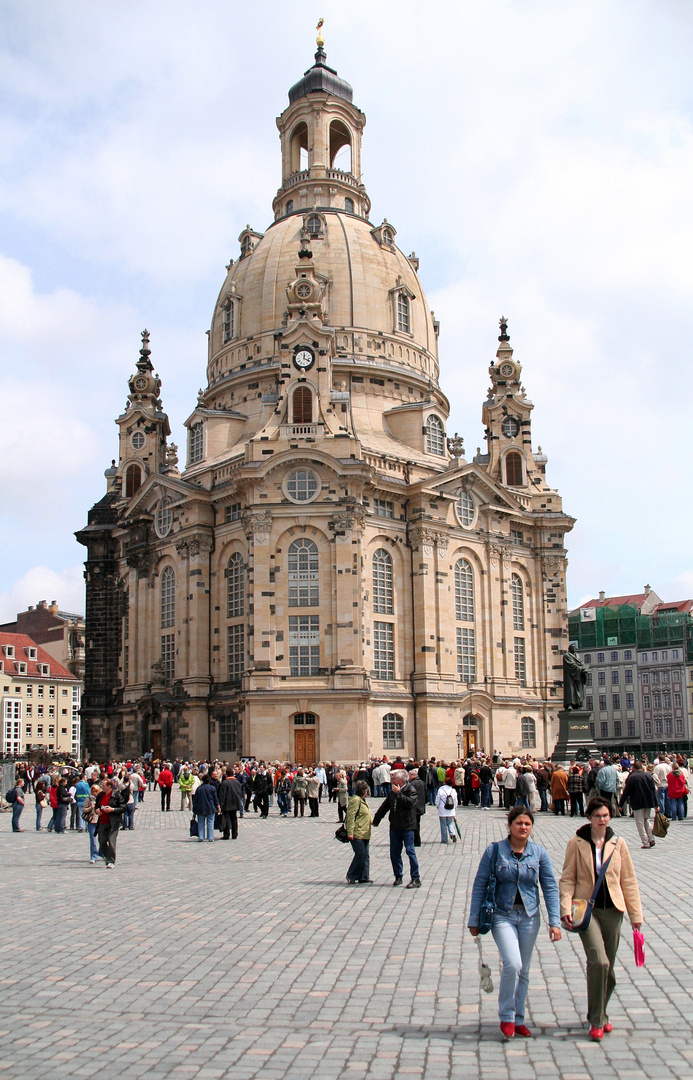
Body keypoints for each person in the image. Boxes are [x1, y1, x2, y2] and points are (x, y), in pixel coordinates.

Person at [468, 807, 562, 1039]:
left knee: (525, 969)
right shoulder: (495, 851)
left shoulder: (538, 853)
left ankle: (519, 1018)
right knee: (513, 964)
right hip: (502, 914)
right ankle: (507, 1015)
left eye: (527, 824)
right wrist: (474, 919)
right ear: (509, 825)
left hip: (529, 915)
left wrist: (555, 921)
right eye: (519, 823)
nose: (523, 827)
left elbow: (549, 886)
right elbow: (480, 883)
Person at [559, 797, 642, 1040]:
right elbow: (567, 878)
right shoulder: (576, 843)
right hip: (587, 911)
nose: (602, 820)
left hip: (613, 910)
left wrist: (636, 915)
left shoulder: (618, 844)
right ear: (589, 818)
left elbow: (628, 880)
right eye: (598, 816)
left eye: (606, 815)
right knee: (599, 962)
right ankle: (596, 1021)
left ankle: (601, 1013)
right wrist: (565, 907)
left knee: (610, 969)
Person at [372, 769, 421, 888]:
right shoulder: (392, 792)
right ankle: (398, 875)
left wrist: (399, 794)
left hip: (408, 826)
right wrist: (376, 820)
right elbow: (385, 807)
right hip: (395, 826)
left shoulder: (411, 790)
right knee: (394, 853)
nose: (391, 780)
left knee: (410, 851)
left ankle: (416, 878)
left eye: (393, 778)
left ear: (400, 780)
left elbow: (409, 804)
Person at [619, 761, 658, 848]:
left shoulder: (632, 777)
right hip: (648, 802)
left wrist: (621, 803)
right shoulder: (649, 776)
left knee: (640, 823)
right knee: (646, 820)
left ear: (633, 768)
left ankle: (645, 842)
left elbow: (626, 792)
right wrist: (656, 804)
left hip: (637, 802)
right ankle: (651, 838)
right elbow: (653, 791)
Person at [345, 780, 373, 884]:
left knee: (365, 855)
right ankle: (351, 875)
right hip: (357, 832)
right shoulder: (355, 800)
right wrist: (350, 832)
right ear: (363, 791)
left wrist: (373, 821)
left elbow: (366, 815)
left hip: (365, 832)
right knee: (360, 853)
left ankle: (364, 876)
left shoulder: (362, 800)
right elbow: (351, 816)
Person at [94, 778, 126, 868]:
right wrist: (97, 810)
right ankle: (108, 856)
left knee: (111, 842)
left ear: (109, 786)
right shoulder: (100, 795)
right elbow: (97, 806)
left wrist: (112, 809)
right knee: (102, 841)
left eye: (103, 786)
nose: (102, 787)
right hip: (102, 821)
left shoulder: (116, 795)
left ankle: (111, 861)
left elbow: (123, 808)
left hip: (113, 822)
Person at [192, 773, 221, 842]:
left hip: (200, 808)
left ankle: (201, 837)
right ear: (209, 781)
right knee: (210, 822)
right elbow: (215, 799)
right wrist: (218, 806)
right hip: (210, 808)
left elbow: (195, 800)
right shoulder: (212, 788)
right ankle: (210, 837)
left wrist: (194, 809)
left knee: (201, 822)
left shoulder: (199, 789)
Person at [218, 767, 243, 839]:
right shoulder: (237, 782)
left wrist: (221, 804)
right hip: (235, 802)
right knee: (234, 818)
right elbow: (239, 792)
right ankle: (234, 834)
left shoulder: (225, 783)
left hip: (227, 803)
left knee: (226, 819)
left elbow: (222, 795)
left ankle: (226, 834)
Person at [435, 777, 458, 843]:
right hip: (451, 809)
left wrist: (437, 805)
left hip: (442, 809)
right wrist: (455, 807)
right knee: (450, 823)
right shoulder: (453, 790)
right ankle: (452, 833)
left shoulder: (440, 790)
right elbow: (455, 801)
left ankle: (444, 839)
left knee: (443, 824)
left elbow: (437, 799)